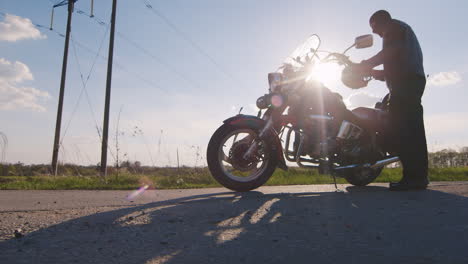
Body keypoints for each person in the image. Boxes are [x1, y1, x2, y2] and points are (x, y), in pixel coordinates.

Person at [358, 10, 429, 191]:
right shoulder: (400, 31)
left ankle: (414, 179)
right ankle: (417, 177)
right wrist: (373, 73)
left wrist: (366, 64)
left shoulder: (394, 27)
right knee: (412, 130)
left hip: (406, 83)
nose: (374, 32)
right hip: (408, 82)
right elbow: (394, 66)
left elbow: (390, 52)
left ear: (381, 21)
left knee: (405, 131)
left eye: (373, 27)